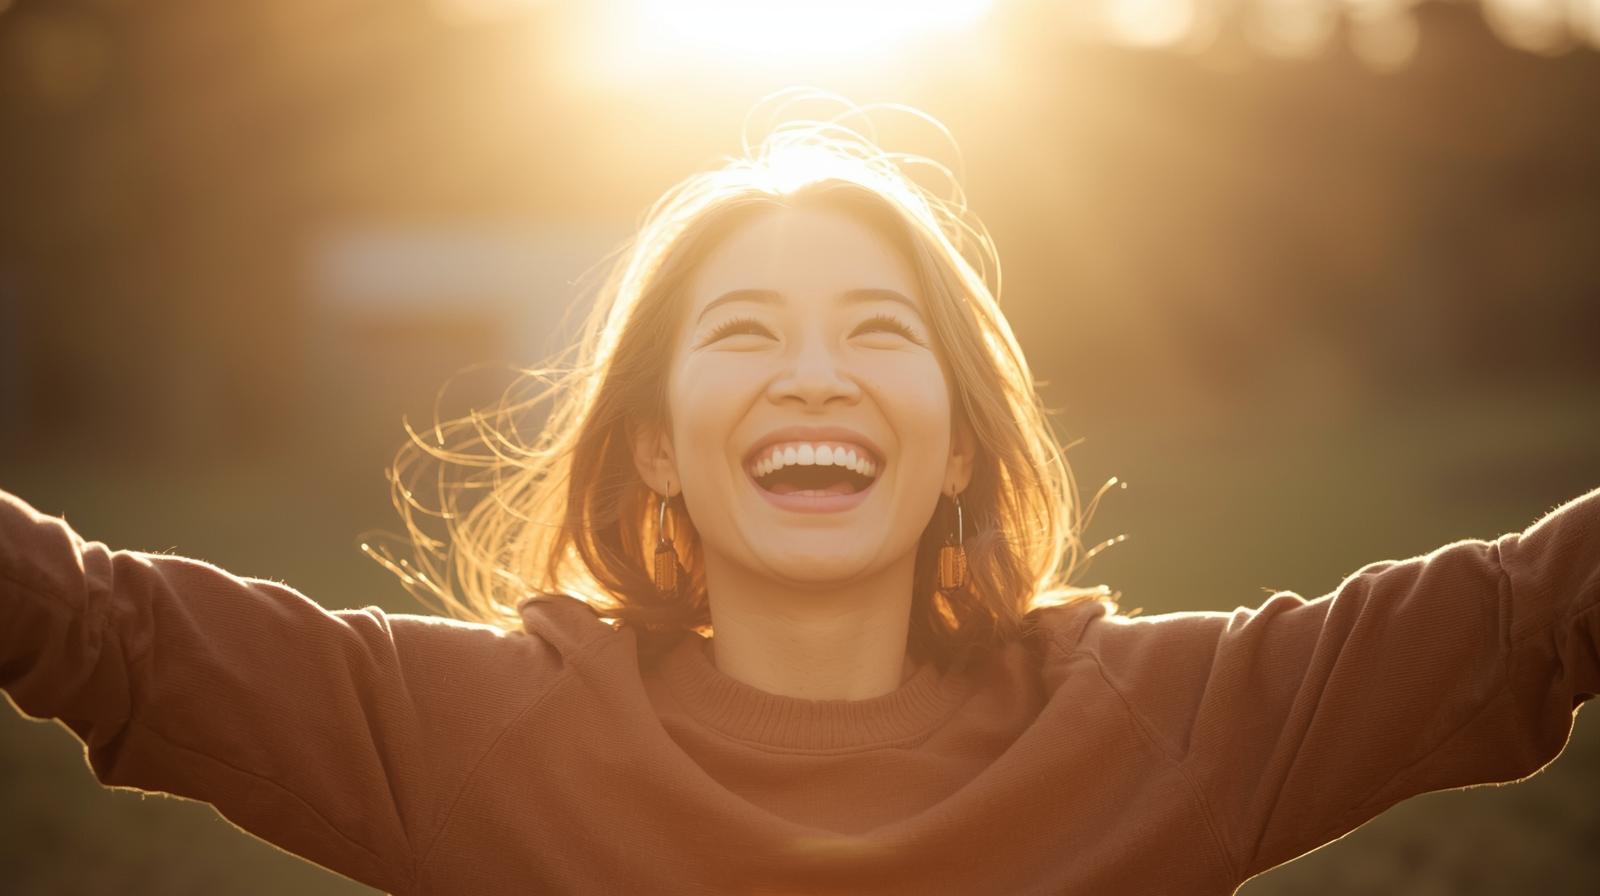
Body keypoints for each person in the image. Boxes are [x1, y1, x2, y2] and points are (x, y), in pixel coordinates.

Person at [2, 100, 1596, 896]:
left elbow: (1529, 612)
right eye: (748, 334)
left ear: (961, 444)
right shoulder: (473, 736)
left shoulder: (1158, 722)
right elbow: (100, 628)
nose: (816, 375)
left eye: (878, 333)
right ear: (655, 446)